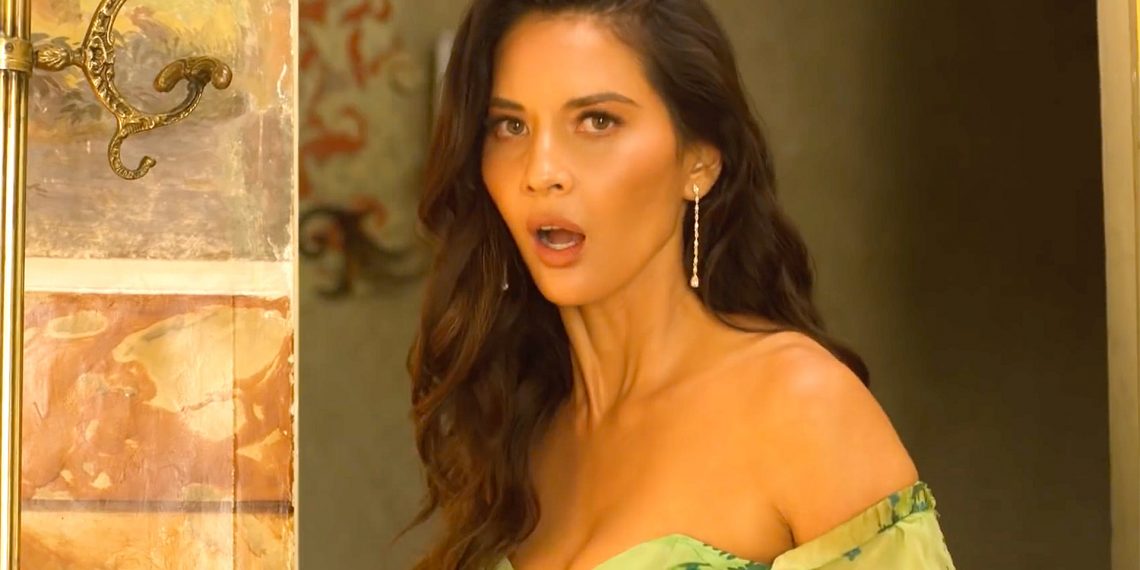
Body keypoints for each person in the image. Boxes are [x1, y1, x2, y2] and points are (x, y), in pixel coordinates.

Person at [407, 1, 956, 568]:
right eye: (511, 126)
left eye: (597, 121)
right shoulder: (516, 431)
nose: (540, 171)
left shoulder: (800, 406)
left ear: (699, 160)